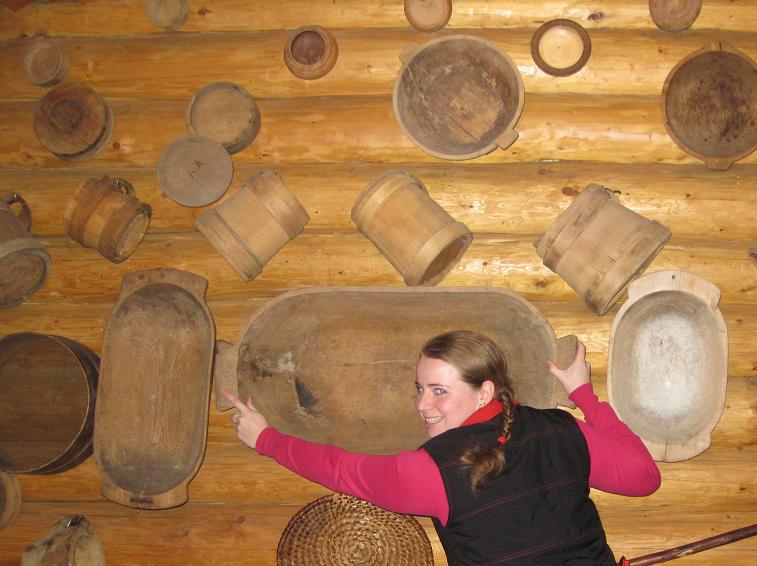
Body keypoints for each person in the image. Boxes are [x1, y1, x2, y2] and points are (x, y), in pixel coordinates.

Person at [223, 330, 660, 565]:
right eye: (420, 388)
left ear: (484, 392)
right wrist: (584, 396)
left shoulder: (429, 472)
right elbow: (644, 476)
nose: (421, 405)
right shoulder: (563, 429)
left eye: (439, 391)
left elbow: (339, 469)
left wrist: (266, 439)